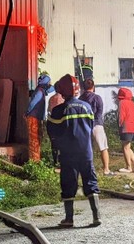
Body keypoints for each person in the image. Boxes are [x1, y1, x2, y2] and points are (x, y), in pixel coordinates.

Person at [46, 74, 101, 227]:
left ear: (61, 91)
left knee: (68, 184)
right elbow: (90, 127)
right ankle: (96, 217)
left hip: (68, 154)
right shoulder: (87, 107)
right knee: (90, 181)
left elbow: (53, 133)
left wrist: (56, 151)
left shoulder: (58, 111)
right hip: (86, 152)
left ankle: (69, 219)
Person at [79, 78, 112, 175]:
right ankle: (106, 169)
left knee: (86, 148)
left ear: (83, 87)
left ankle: (87, 170)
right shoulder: (97, 98)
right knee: (103, 147)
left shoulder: (80, 99)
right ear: (93, 87)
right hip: (97, 124)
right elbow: (99, 112)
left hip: (84, 125)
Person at [24, 74, 52, 162]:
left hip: (36, 118)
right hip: (33, 118)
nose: (49, 84)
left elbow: (54, 88)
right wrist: (27, 113)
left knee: (37, 138)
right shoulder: (40, 92)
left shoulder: (41, 90)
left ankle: (35, 160)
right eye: (48, 83)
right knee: (34, 139)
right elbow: (32, 103)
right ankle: (34, 160)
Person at [116, 87, 134, 174]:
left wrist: (119, 126)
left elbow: (121, 116)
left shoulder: (122, 103)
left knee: (125, 147)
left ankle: (128, 167)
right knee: (128, 147)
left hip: (126, 127)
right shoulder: (132, 103)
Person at [47, 88, 65, 170]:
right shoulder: (63, 99)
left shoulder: (52, 98)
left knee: (54, 143)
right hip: (61, 123)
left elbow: (49, 110)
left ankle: (55, 161)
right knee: (62, 143)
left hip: (51, 123)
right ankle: (62, 162)